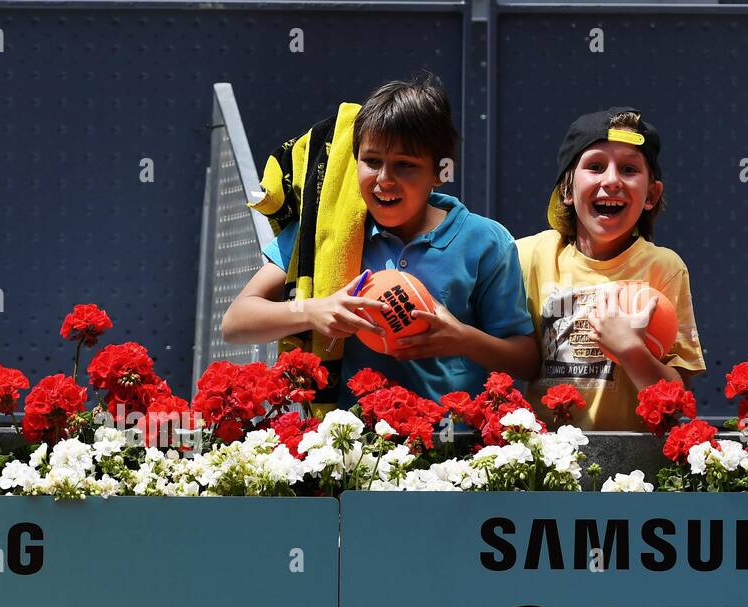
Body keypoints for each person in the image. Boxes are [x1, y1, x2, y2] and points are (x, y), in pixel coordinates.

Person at [222, 74, 539, 408]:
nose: (384, 180)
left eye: (405, 165)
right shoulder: (324, 230)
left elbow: (526, 361)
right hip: (349, 450)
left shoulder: (486, 241)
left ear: (439, 170)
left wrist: (462, 339)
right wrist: (313, 310)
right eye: (372, 161)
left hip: (453, 449)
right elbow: (236, 322)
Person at [517, 107, 706, 429]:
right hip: (545, 464)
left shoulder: (665, 268)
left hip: (635, 467)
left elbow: (677, 401)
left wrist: (631, 349)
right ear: (566, 188)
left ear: (651, 194)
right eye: (595, 166)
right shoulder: (531, 255)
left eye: (629, 169)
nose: (612, 180)